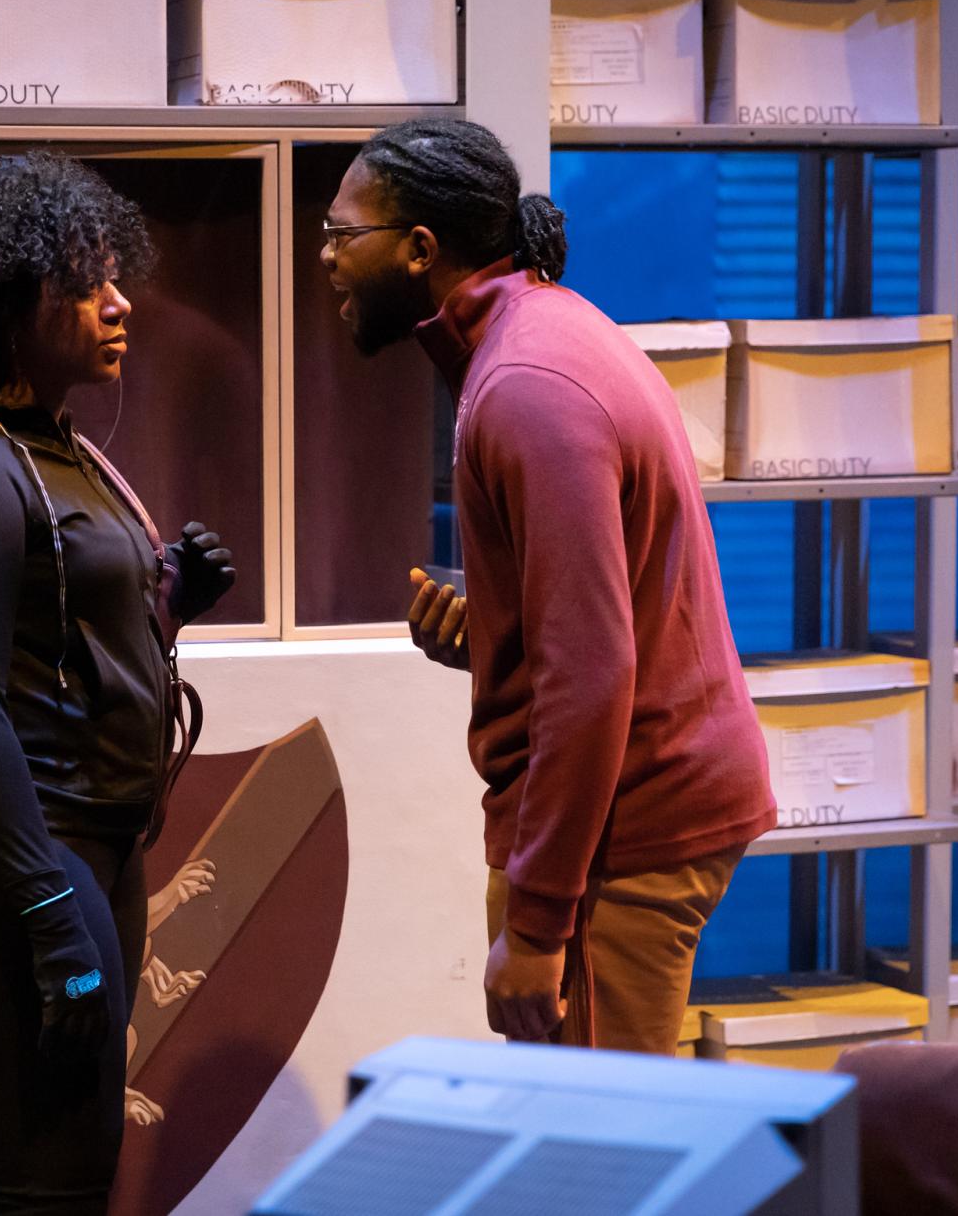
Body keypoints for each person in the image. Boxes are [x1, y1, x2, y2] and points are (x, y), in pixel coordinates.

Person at [320, 118, 777, 1054]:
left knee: (604, 1158)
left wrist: (536, 925)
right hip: (631, 804)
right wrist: (496, 635)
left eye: (342, 234)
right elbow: (602, 623)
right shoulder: (537, 337)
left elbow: (593, 673)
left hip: (629, 822)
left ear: (419, 250)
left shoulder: (527, 383)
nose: (324, 257)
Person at [0, 152, 236, 1214]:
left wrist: (169, 607)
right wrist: (44, 899)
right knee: (56, 1164)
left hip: (84, 832)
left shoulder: (51, 446)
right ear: (8, 299)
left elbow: (53, 642)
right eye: (85, 283)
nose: (119, 305)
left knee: (48, 1158)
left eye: (117, 276)